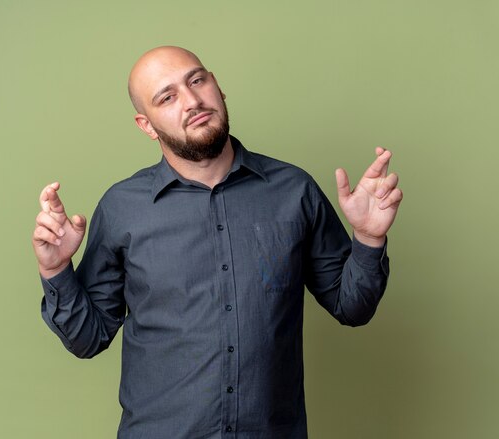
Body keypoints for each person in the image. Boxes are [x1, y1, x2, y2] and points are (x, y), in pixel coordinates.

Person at [32, 46, 402, 439]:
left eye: (197, 80)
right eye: (167, 96)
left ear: (218, 87)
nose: (192, 101)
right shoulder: (122, 208)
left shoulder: (294, 191)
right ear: (146, 125)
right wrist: (55, 270)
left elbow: (352, 307)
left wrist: (368, 237)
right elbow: (88, 339)